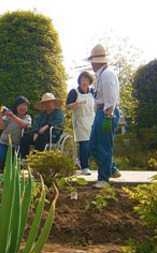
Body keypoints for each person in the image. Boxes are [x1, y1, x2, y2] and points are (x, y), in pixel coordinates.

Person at [87, 44, 121, 188]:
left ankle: (104, 179)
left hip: (107, 114)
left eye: (92, 61)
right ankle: (111, 169)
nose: (91, 64)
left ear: (97, 61)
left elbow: (111, 98)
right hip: (101, 113)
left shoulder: (107, 74)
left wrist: (108, 114)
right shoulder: (101, 75)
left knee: (103, 145)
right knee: (93, 145)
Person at [66, 71, 96, 175]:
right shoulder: (74, 92)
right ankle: (84, 167)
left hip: (92, 120)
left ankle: (82, 162)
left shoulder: (92, 92)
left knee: (93, 145)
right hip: (80, 121)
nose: (84, 81)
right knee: (84, 144)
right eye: (82, 79)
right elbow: (68, 106)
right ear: (79, 81)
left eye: (87, 79)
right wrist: (74, 105)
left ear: (90, 81)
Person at [0, 96, 32, 173]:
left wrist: (12, 116)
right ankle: (2, 166)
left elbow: (24, 125)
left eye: (25, 105)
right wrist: (0, 114)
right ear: (16, 106)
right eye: (20, 105)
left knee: (16, 164)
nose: (23, 107)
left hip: (17, 146)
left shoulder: (27, 117)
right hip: (4, 143)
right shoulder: (9, 116)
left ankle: (10, 166)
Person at [20, 92, 65, 157]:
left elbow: (58, 123)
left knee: (40, 139)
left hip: (53, 135)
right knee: (24, 139)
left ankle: (36, 160)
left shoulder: (59, 113)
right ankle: (24, 159)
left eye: (50, 102)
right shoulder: (41, 115)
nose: (48, 104)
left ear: (53, 103)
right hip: (38, 134)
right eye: (46, 103)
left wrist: (47, 126)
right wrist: (36, 132)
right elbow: (35, 124)